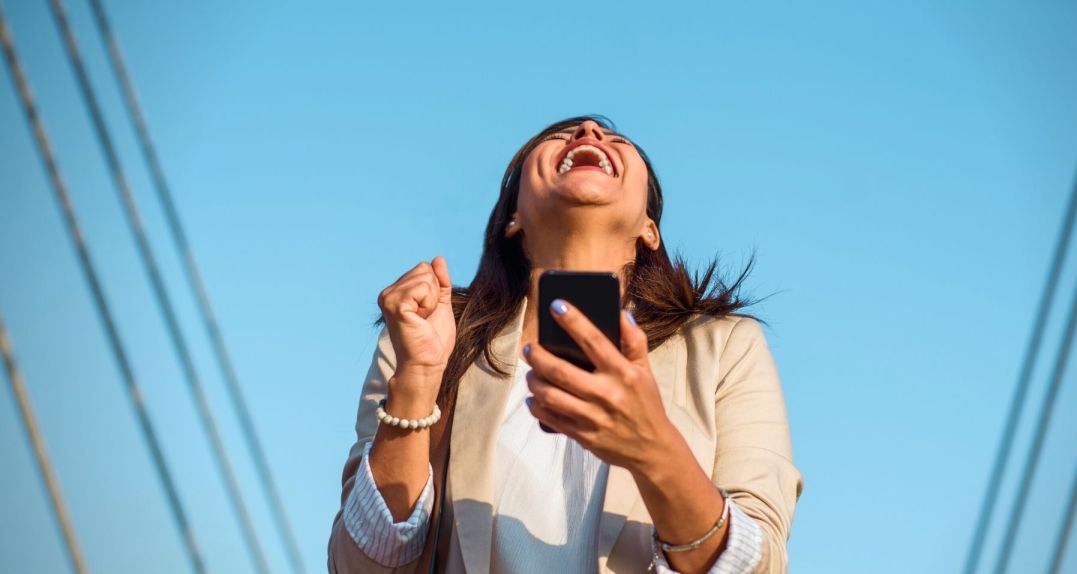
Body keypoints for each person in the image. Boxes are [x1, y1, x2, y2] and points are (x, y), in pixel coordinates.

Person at [327, 116, 803, 573]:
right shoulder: (428, 336)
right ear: (513, 219)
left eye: (616, 139)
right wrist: (417, 379)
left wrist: (654, 448)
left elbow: (757, 564)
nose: (589, 132)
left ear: (649, 229)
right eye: (558, 136)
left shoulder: (724, 347)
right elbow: (360, 566)